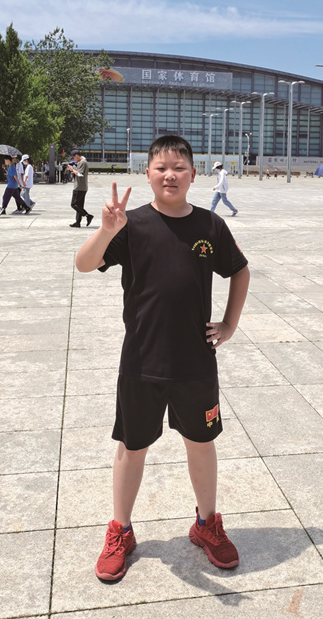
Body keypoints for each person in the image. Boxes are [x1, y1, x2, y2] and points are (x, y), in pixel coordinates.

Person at [75, 134, 250, 582]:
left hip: (195, 361)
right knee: (132, 447)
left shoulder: (210, 225)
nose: (170, 175)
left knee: (201, 443)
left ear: (193, 174)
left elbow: (239, 269)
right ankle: (120, 530)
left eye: (179, 167)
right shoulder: (130, 223)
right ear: (148, 173)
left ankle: (206, 523)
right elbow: (83, 263)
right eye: (161, 168)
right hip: (142, 360)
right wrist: (106, 230)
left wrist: (229, 324)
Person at [67, 149, 93, 228]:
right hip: (82, 187)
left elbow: (80, 174)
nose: (73, 159)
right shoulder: (82, 162)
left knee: (74, 204)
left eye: (73, 157)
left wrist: (72, 169)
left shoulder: (82, 162)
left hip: (79, 187)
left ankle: (88, 216)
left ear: (77, 156)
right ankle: (78, 222)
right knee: (79, 206)